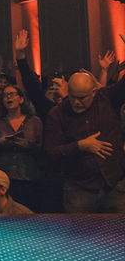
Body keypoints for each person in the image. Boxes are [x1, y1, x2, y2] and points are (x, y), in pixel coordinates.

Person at [44, 69, 125, 213]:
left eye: (82, 98)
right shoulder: (57, 113)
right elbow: (50, 152)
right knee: (80, 234)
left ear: (94, 92)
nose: (76, 102)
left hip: (114, 185)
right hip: (79, 189)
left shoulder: (107, 98)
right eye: (72, 96)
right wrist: (80, 146)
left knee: (119, 233)